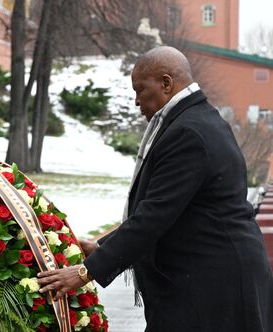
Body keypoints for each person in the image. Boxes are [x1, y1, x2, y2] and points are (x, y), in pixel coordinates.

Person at [37, 46, 273, 331]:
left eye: (140, 90)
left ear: (166, 83)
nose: (136, 100)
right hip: (206, 278)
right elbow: (164, 212)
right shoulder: (193, 121)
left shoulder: (189, 132)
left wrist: (87, 271)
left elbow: (154, 216)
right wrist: (103, 247)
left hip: (213, 285)